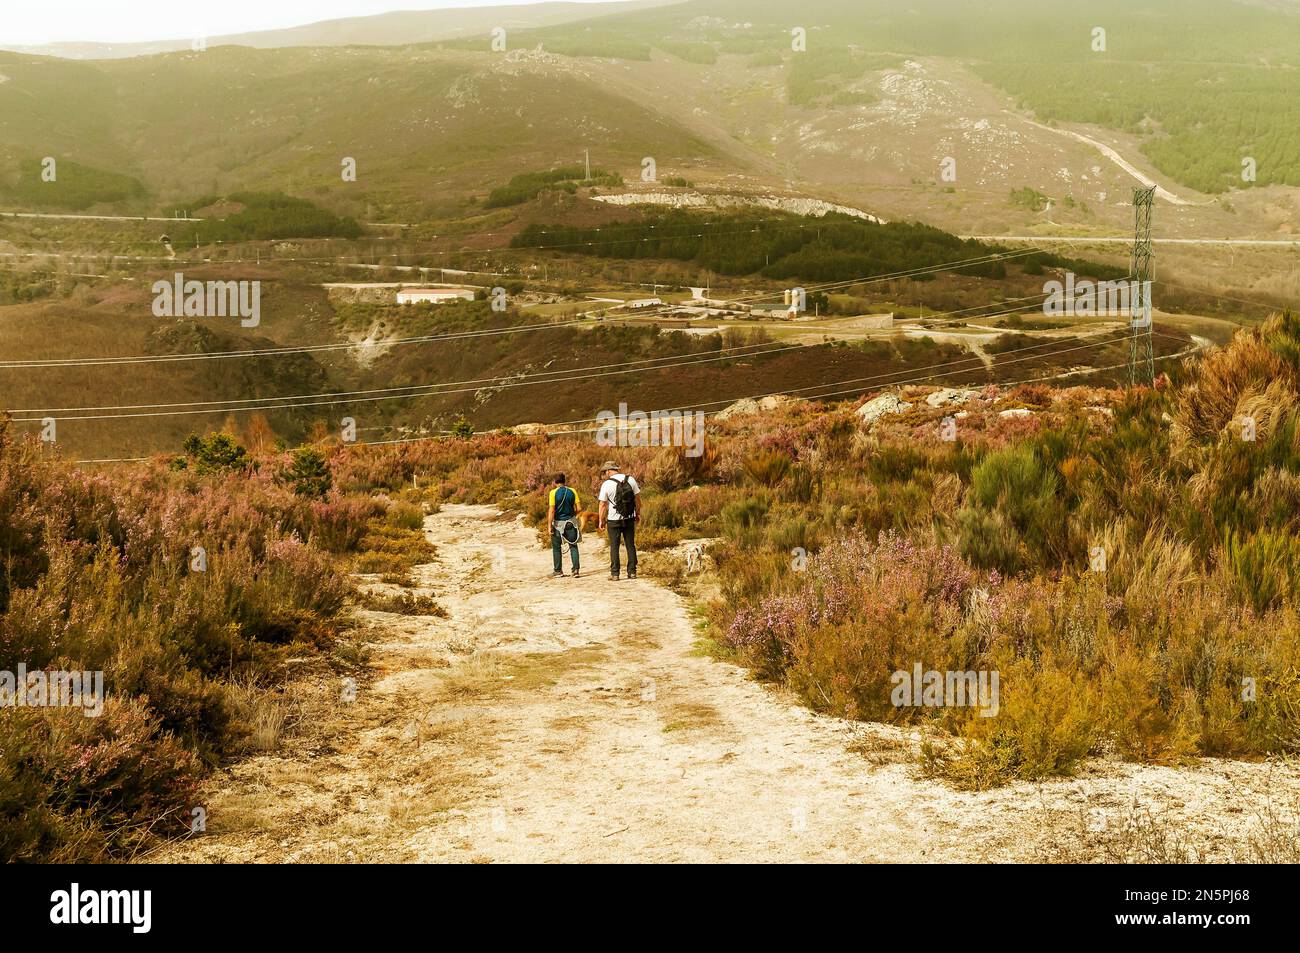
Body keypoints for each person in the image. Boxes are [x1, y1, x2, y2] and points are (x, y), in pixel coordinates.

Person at [597, 460, 640, 580]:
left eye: (605, 472)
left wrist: (601, 520)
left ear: (608, 471)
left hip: (613, 520)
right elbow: (637, 499)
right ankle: (632, 572)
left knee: (614, 546)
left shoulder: (606, 484)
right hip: (629, 517)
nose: (605, 474)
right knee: (630, 544)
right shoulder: (630, 480)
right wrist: (637, 513)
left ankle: (615, 574)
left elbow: (602, 504)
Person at [547, 473, 582, 578]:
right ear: (564, 481)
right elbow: (579, 508)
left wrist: (549, 525)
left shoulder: (553, 493)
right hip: (571, 522)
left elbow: (552, 511)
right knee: (573, 545)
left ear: (555, 482)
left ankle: (558, 571)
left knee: (556, 547)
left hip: (558, 524)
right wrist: (573, 515)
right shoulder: (572, 491)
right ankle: (575, 570)